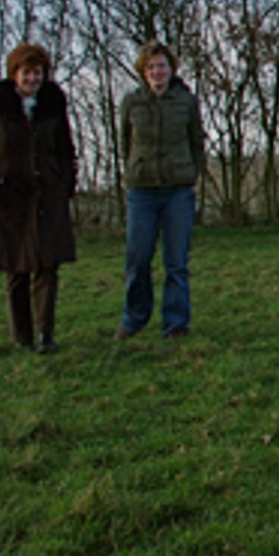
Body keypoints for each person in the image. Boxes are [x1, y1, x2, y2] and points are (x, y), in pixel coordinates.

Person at [0, 43, 79, 354]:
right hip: (11, 195)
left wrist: (66, 184)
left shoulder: (53, 102)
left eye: (37, 73)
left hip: (48, 193)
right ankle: (21, 338)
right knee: (17, 268)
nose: (32, 79)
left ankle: (46, 334)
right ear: (15, 74)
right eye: (27, 73)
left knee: (48, 267)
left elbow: (65, 148)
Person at [118, 41, 204, 340]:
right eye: (151, 67)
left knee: (176, 262)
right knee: (137, 258)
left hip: (178, 191)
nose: (157, 71)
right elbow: (124, 142)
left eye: (162, 66)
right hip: (141, 191)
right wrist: (133, 171)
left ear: (171, 69)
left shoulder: (186, 102)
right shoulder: (132, 103)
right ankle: (133, 319)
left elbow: (197, 142)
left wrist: (191, 174)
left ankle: (176, 323)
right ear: (143, 72)